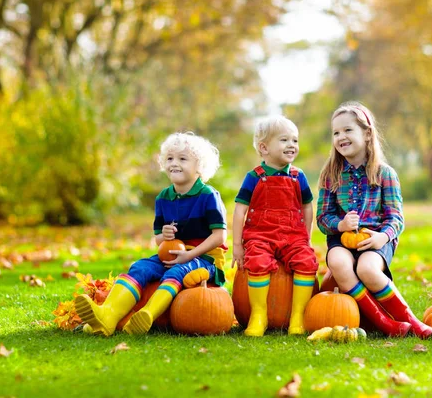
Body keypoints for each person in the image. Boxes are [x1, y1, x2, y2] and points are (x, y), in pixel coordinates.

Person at [75, 132, 227, 336]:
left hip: (205, 259)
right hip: (171, 254)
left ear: (199, 166)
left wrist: (189, 255)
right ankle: (108, 316)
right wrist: (164, 235)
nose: (174, 163)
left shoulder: (208, 196)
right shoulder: (164, 197)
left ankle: (147, 314)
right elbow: (158, 240)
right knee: (140, 267)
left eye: (183, 159)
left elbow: (220, 236)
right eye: (170, 158)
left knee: (177, 272)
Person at [316, 101, 432, 339]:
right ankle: (384, 324)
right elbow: (322, 217)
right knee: (338, 263)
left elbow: (396, 217)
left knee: (367, 268)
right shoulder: (331, 175)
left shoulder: (385, 174)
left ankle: (411, 320)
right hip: (342, 240)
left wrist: (383, 237)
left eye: (348, 130)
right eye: (336, 132)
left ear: (367, 133)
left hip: (377, 240)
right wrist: (340, 225)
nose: (341, 137)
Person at [232, 115, 318, 336]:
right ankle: (259, 314)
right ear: (264, 148)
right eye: (284, 140)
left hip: (293, 236)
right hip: (260, 235)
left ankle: (297, 315)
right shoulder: (254, 177)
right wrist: (237, 245)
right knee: (257, 262)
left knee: (307, 262)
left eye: (295, 140)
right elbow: (240, 209)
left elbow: (307, 206)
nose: (291, 145)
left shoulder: (299, 177)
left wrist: (306, 237)